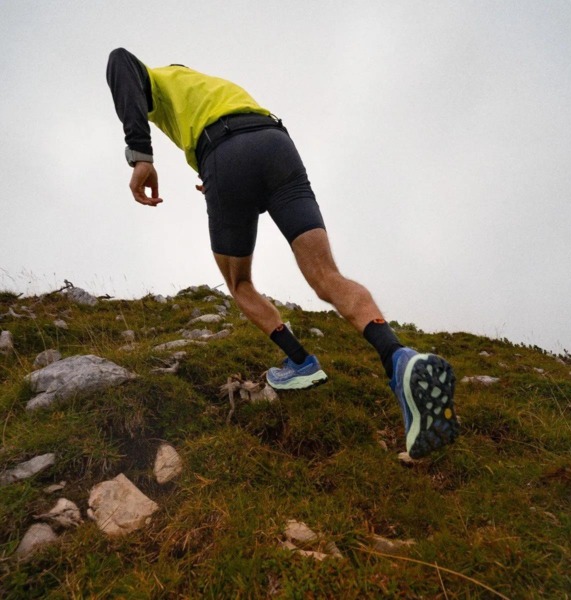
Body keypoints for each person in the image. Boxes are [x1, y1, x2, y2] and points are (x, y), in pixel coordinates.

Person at [106, 47, 459, 458]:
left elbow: (120, 61)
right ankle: (399, 358)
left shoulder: (155, 78)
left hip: (224, 152)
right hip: (275, 144)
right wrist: (210, 170)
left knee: (239, 284)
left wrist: (141, 155)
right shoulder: (207, 86)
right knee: (327, 276)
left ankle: (301, 362)